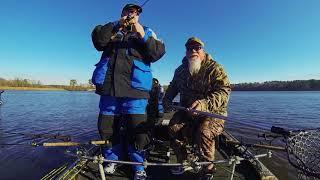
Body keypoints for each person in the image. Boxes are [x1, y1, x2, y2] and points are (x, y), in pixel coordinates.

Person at [91, 3, 165, 180]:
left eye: (135, 12)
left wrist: (141, 33)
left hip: (135, 90)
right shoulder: (111, 28)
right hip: (109, 89)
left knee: (138, 131)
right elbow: (98, 41)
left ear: (138, 16)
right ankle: (112, 160)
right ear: (122, 13)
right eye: (128, 11)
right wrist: (117, 24)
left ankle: (139, 165)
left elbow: (157, 53)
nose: (131, 14)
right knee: (106, 128)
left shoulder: (147, 31)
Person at [163, 37, 231, 180]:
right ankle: (184, 161)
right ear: (186, 52)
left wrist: (205, 103)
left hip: (213, 113)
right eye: (189, 49)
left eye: (197, 48)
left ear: (203, 50)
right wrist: (167, 100)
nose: (193, 51)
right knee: (173, 127)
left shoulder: (215, 68)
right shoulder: (180, 70)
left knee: (204, 132)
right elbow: (173, 88)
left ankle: (207, 169)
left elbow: (224, 91)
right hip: (187, 111)